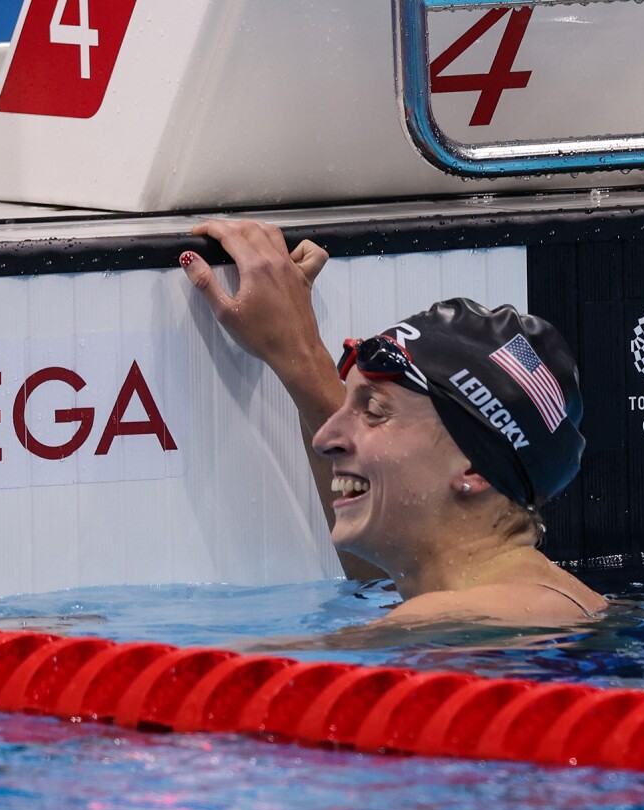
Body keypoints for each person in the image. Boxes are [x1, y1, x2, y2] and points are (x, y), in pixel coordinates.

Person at [181, 219, 605, 635]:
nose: (324, 439)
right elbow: (385, 582)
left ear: (474, 469)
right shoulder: (527, 603)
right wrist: (294, 350)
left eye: (375, 412)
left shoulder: (458, 620)